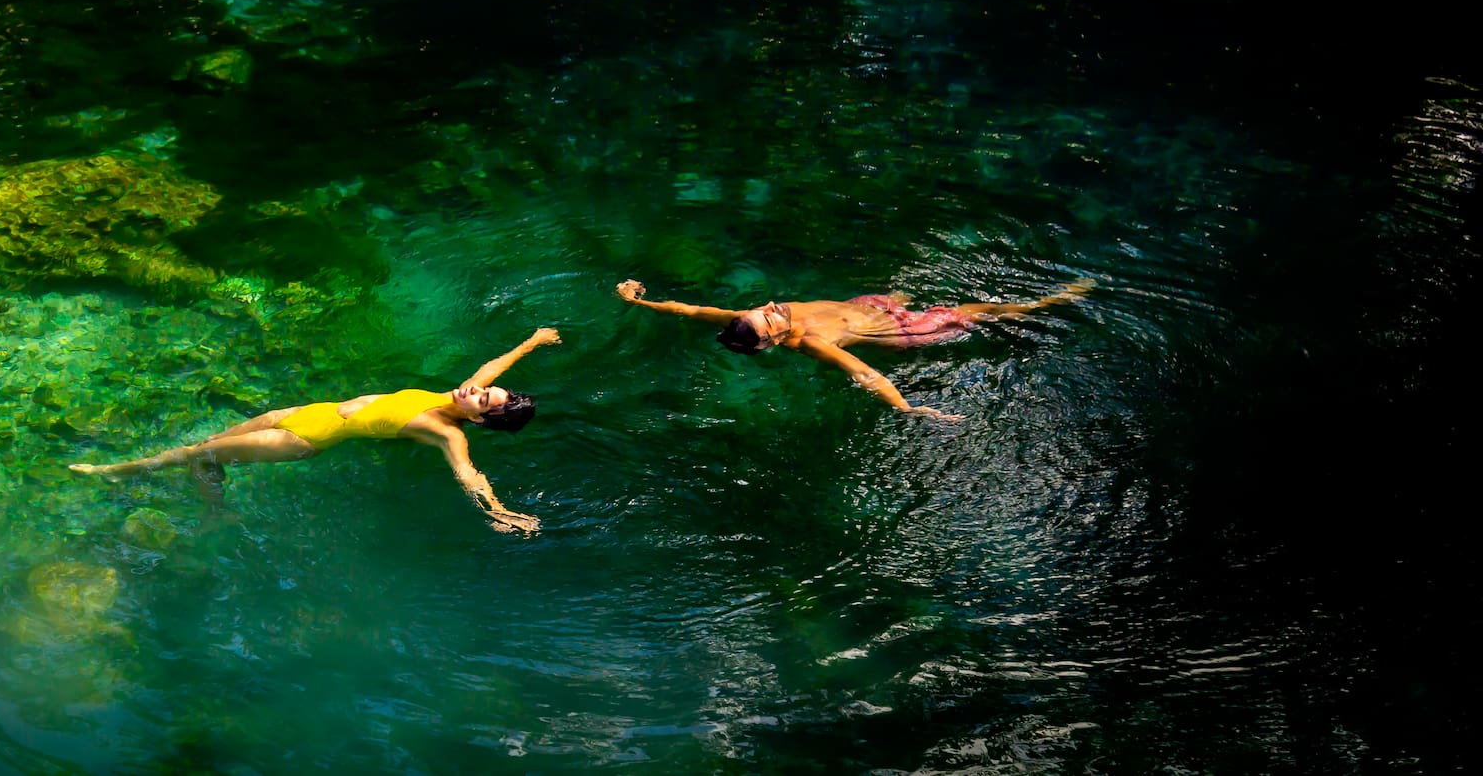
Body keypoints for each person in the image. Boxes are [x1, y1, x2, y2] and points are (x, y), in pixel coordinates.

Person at [69, 327, 563, 534]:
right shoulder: (462, 393)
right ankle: (202, 497)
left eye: (482, 399)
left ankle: (125, 475)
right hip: (307, 411)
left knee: (202, 454)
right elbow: (492, 365)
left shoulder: (449, 430)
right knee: (212, 447)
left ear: (479, 419)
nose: (475, 390)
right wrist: (533, 343)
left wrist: (501, 512)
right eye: (483, 390)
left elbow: (468, 475)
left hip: (304, 439)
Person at [615, 278, 1094, 422]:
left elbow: (693, 311)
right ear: (775, 340)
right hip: (905, 333)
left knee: (898, 293)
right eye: (771, 315)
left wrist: (640, 301)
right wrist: (909, 408)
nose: (771, 304)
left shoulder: (752, 317)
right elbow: (864, 373)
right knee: (979, 311)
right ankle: (1045, 304)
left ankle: (1037, 303)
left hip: (865, 305)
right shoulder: (810, 342)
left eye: (769, 305)